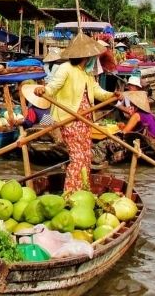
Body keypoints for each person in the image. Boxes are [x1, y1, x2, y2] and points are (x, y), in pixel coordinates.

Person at [34, 32, 119, 193]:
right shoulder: (66, 68)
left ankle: (82, 190)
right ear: (85, 56)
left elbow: (98, 91)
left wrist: (112, 95)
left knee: (86, 157)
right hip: (70, 119)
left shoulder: (87, 73)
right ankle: (70, 194)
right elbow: (52, 87)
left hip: (85, 121)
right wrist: (42, 90)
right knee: (77, 158)